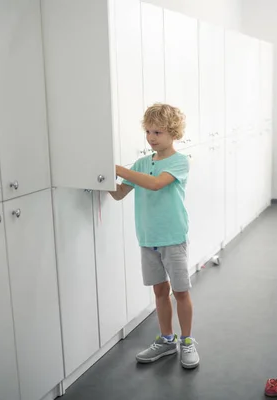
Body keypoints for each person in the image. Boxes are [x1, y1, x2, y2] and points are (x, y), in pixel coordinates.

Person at [108, 103, 199, 369]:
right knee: (160, 291)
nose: (150, 137)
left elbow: (156, 184)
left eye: (157, 132)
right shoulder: (140, 163)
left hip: (172, 237)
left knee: (180, 291)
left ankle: (188, 342)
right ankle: (167, 341)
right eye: (148, 131)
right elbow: (120, 193)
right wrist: (99, 179)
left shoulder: (180, 161)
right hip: (148, 238)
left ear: (173, 132)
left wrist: (118, 169)